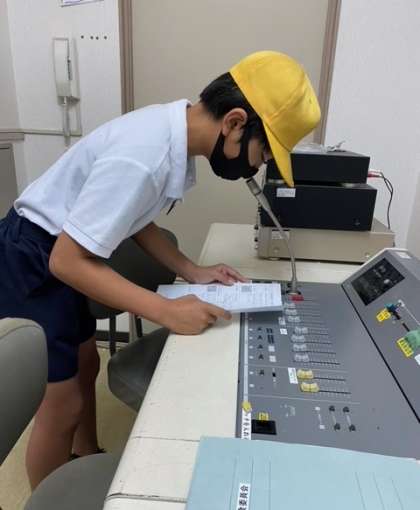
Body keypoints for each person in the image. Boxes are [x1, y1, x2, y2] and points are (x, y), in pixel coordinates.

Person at [0, 50, 320, 489]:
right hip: (35, 257)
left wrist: (191, 270)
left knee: (86, 362)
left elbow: (134, 216)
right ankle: (49, 495)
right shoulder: (144, 154)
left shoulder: (171, 136)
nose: (258, 166)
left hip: (59, 247)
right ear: (234, 123)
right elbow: (66, 261)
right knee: (63, 404)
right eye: (263, 152)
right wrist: (165, 311)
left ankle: (85, 455)